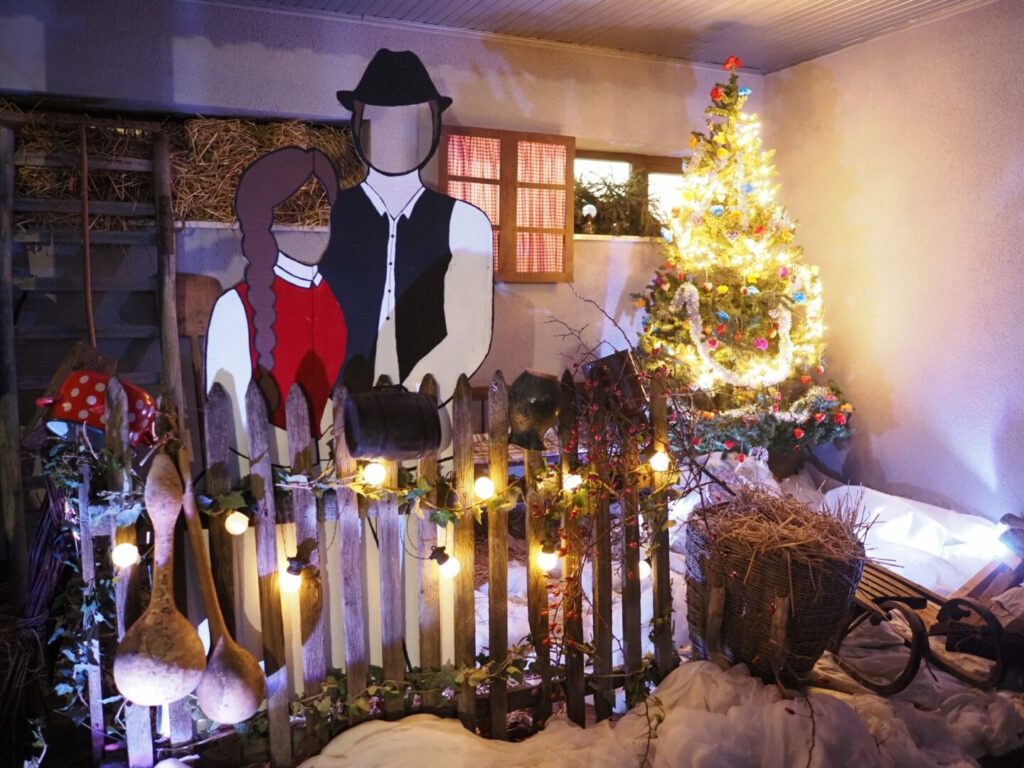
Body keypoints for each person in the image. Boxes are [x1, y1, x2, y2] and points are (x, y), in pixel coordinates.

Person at [320, 48, 493, 405]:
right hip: (340, 409)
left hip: (428, 412)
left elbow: (470, 336)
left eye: (409, 120)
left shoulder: (465, 222)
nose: (394, 136)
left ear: (433, 127)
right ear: (359, 126)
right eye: (382, 119)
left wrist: (416, 396)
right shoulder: (331, 214)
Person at [205, 146, 346, 466]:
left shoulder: (341, 300)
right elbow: (229, 425)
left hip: (343, 473)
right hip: (267, 474)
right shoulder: (235, 307)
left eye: (324, 214)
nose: (317, 227)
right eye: (302, 214)